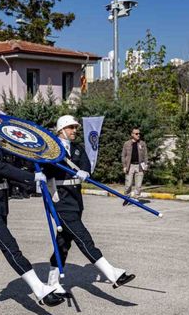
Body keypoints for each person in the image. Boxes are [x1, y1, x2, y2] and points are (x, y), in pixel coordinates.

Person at [0, 106, 64, 313]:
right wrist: (30, 177)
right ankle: (40, 290)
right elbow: (1, 169)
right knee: (10, 247)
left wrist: (34, 175)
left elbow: (8, 169)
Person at [43, 115, 136, 295]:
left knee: (63, 243)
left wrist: (85, 172)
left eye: (76, 128)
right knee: (83, 237)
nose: (74, 131)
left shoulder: (77, 149)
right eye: (71, 128)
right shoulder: (51, 150)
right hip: (60, 201)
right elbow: (45, 168)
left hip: (76, 200)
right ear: (61, 129)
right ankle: (112, 274)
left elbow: (86, 165)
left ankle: (53, 284)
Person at [121, 127, 148, 205]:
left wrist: (146, 164)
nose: (138, 135)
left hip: (140, 166)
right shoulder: (127, 144)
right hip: (130, 166)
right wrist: (124, 166)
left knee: (138, 185)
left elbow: (146, 155)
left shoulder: (142, 143)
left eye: (139, 133)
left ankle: (136, 198)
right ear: (132, 134)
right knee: (128, 184)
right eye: (136, 133)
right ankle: (126, 197)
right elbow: (123, 155)